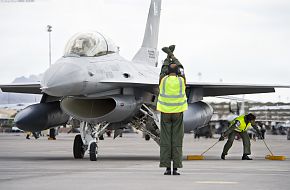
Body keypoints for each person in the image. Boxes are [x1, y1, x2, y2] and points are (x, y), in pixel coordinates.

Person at [157, 46, 188, 175]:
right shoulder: (182, 80)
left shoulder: (163, 80)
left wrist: (166, 57)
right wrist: (172, 54)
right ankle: (175, 168)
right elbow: (181, 67)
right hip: (178, 113)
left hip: (165, 113)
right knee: (176, 140)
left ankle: (167, 168)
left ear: (167, 71)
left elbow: (162, 69)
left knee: (165, 140)